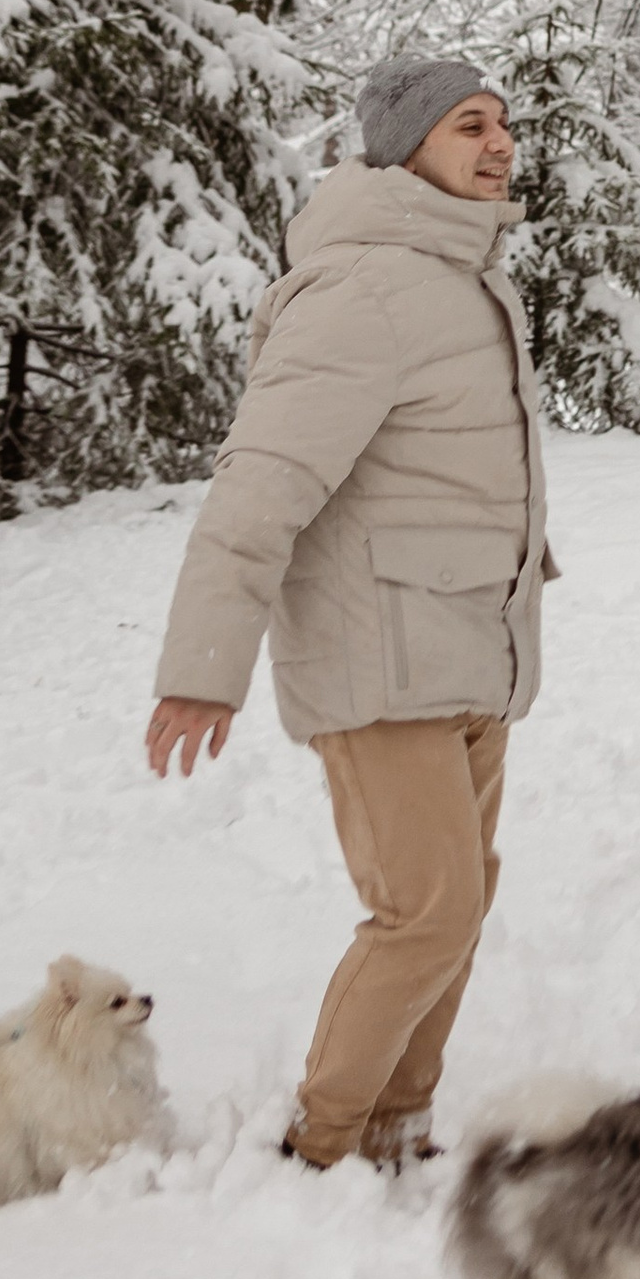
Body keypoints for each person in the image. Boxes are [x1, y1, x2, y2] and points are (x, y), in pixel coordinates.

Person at [146, 57, 553, 1170]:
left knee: (460, 906)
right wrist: (203, 665)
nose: (498, 142)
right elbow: (262, 482)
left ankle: (398, 1121)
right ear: (404, 148)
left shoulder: (465, 276)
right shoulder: (362, 287)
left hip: (469, 645)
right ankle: (324, 1142)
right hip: (378, 657)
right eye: (469, 125)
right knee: (425, 911)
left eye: (504, 124)